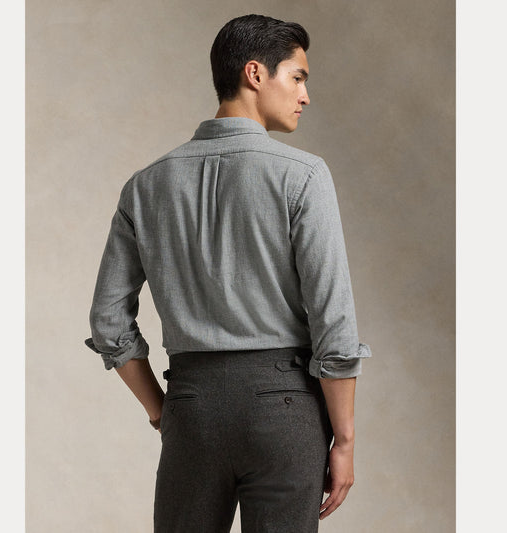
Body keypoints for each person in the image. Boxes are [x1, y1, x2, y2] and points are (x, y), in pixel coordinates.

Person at [84, 13, 371, 533]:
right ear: (255, 73)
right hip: (286, 410)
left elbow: (108, 321)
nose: (305, 96)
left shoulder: (145, 186)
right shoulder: (303, 176)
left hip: (192, 409)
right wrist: (345, 441)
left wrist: (163, 412)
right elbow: (334, 323)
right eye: (298, 77)